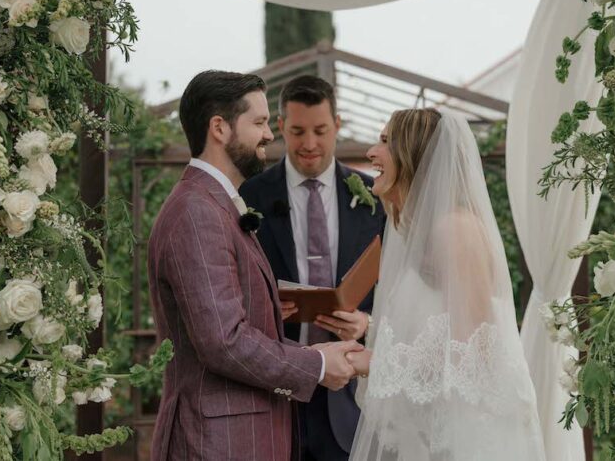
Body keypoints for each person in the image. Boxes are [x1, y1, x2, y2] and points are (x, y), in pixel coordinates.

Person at [147, 70, 363, 460]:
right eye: (260, 122)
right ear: (219, 128)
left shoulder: (215, 203)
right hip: (220, 444)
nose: (268, 135)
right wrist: (314, 364)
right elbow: (223, 342)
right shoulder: (197, 211)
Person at [348, 108, 546, 460]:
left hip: (463, 440)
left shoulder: (455, 230)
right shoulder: (418, 234)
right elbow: (435, 328)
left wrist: (377, 363)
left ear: (413, 155)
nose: (370, 153)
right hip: (427, 437)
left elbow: (475, 356)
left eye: (383, 142)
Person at [241, 75, 386, 461]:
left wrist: (366, 323)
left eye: (320, 130)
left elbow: (400, 290)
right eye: (298, 131)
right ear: (280, 128)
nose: (309, 144)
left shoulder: (376, 197)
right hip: (275, 393)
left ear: (338, 124)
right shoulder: (248, 196)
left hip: (351, 396)